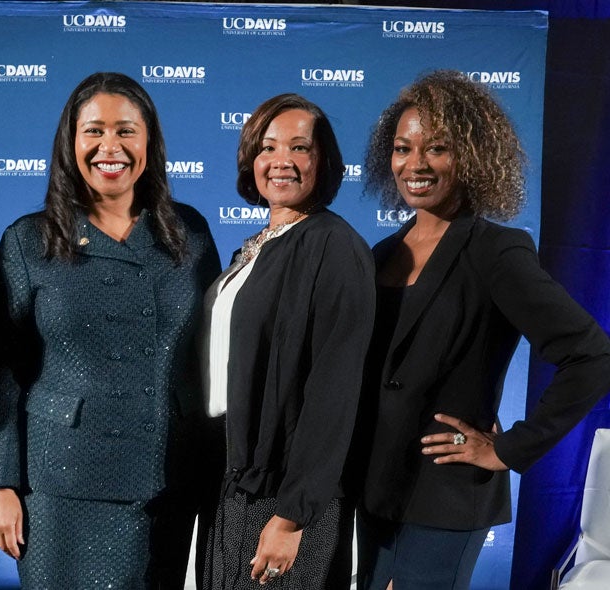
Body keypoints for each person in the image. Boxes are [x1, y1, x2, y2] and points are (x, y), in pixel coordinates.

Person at [352, 69, 610, 590]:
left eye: (438, 148)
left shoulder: (496, 250)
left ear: (469, 156)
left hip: (446, 496)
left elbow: (592, 355)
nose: (415, 164)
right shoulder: (379, 254)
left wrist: (507, 448)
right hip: (372, 489)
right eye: (403, 148)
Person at [0, 72, 223, 588]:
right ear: (70, 143)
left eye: (125, 131)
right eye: (93, 131)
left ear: (149, 143)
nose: (109, 147)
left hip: (166, 478)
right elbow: (6, 369)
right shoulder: (28, 240)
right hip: (60, 484)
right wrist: (1, 482)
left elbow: (208, 356)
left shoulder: (191, 233)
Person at [199, 94, 375, 589]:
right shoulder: (254, 246)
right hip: (233, 480)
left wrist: (293, 516)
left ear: (325, 162)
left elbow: (333, 391)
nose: (282, 161)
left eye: (301, 148)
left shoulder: (335, 247)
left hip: (287, 494)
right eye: (268, 147)